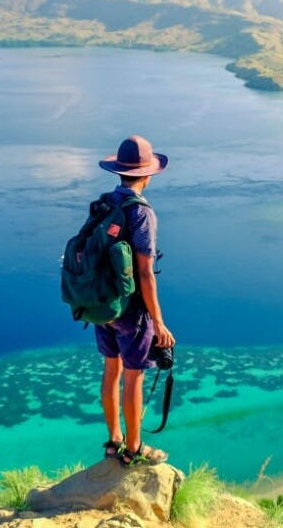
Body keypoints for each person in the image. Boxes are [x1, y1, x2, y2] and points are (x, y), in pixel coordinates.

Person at [94, 135, 176, 466]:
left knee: (111, 371)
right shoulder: (141, 213)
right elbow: (145, 273)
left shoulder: (106, 202)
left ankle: (114, 441)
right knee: (134, 376)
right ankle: (135, 446)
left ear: (119, 172)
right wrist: (158, 322)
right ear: (147, 174)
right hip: (131, 312)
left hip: (104, 306)